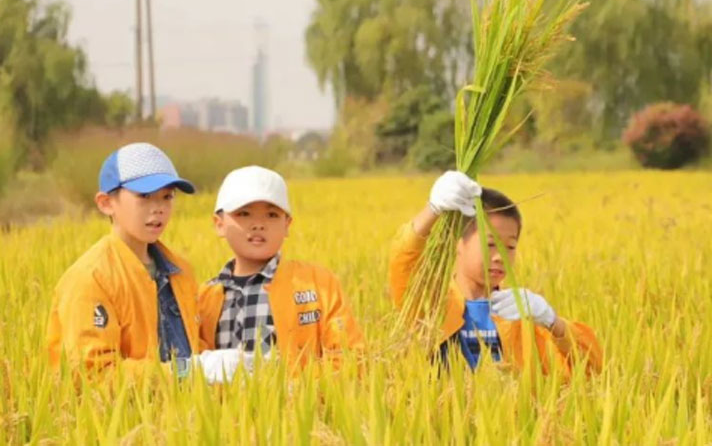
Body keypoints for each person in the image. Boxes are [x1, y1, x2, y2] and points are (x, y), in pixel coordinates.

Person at [389, 171, 602, 375]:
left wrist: (553, 322)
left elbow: (592, 368)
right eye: (490, 244)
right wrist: (433, 209)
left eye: (509, 247)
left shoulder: (519, 316)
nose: (500, 256)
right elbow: (404, 261)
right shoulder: (429, 307)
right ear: (457, 242)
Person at [45, 142, 203, 376]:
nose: (158, 208)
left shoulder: (181, 271)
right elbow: (92, 375)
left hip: (184, 411)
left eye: (167, 197)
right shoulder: (91, 278)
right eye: (145, 196)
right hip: (127, 413)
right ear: (106, 203)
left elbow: (196, 347)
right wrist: (177, 372)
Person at [197, 166, 364, 371]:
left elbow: (350, 358)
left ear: (287, 224)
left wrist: (296, 387)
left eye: (272, 215)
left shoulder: (317, 284)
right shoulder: (202, 298)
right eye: (244, 213)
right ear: (219, 224)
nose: (258, 224)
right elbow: (191, 366)